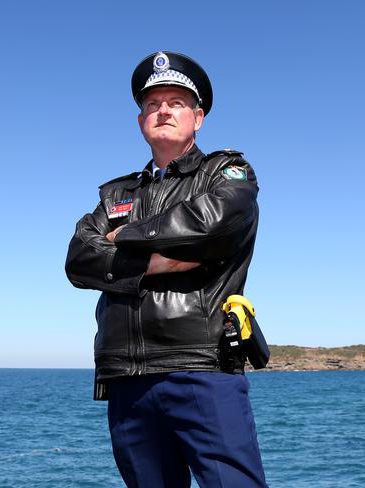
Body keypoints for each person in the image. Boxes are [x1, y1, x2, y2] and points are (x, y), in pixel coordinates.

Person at [65, 51, 267, 487]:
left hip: (201, 366)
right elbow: (79, 259)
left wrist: (124, 238)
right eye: (153, 104)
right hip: (126, 376)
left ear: (198, 118)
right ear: (141, 121)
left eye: (175, 103)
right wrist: (157, 259)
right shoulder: (115, 193)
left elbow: (212, 225)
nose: (163, 111)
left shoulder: (227, 172)